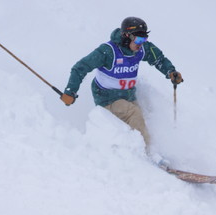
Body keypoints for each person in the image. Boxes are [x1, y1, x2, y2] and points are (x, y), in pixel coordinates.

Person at [60, 17, 183, 148]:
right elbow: (80, 67)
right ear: (126, 36)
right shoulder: (108, 52)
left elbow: (159, 59)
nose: (141, 43)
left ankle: (154, 147)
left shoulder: (141, 49)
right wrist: (70, 91)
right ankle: (148, 154)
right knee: (134, 113)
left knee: (147, 114)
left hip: (128, 95)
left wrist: (170, 71)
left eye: (144, 39)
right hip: (107, 98)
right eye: (138, 39)